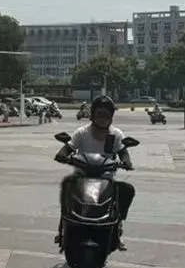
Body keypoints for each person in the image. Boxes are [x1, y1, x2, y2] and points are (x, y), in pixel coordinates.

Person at [55, 95, 134, 250]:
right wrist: (62, 155)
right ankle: (62, 228)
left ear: (111, 117)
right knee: (66, 184)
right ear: (92, 115)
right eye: (99, 114)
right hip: (81, 176)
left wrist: (127, 162)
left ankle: (118, 226)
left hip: (106, 178)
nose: (102, 119)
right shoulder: (82, 132)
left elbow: (123, 152)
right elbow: (68, 148)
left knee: (127, 189)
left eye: (106, 115)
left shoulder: (116, 134)